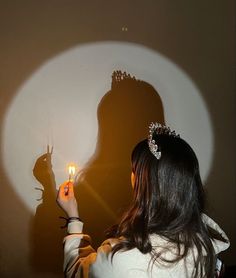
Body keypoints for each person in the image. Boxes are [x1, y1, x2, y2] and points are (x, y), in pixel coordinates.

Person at [57, 123, 230, 278]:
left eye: (135, 170)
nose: (131, 176)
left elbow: (76, 269)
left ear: (144, 182)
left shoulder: (120, 261)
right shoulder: (205, 247)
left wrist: (73, 217)